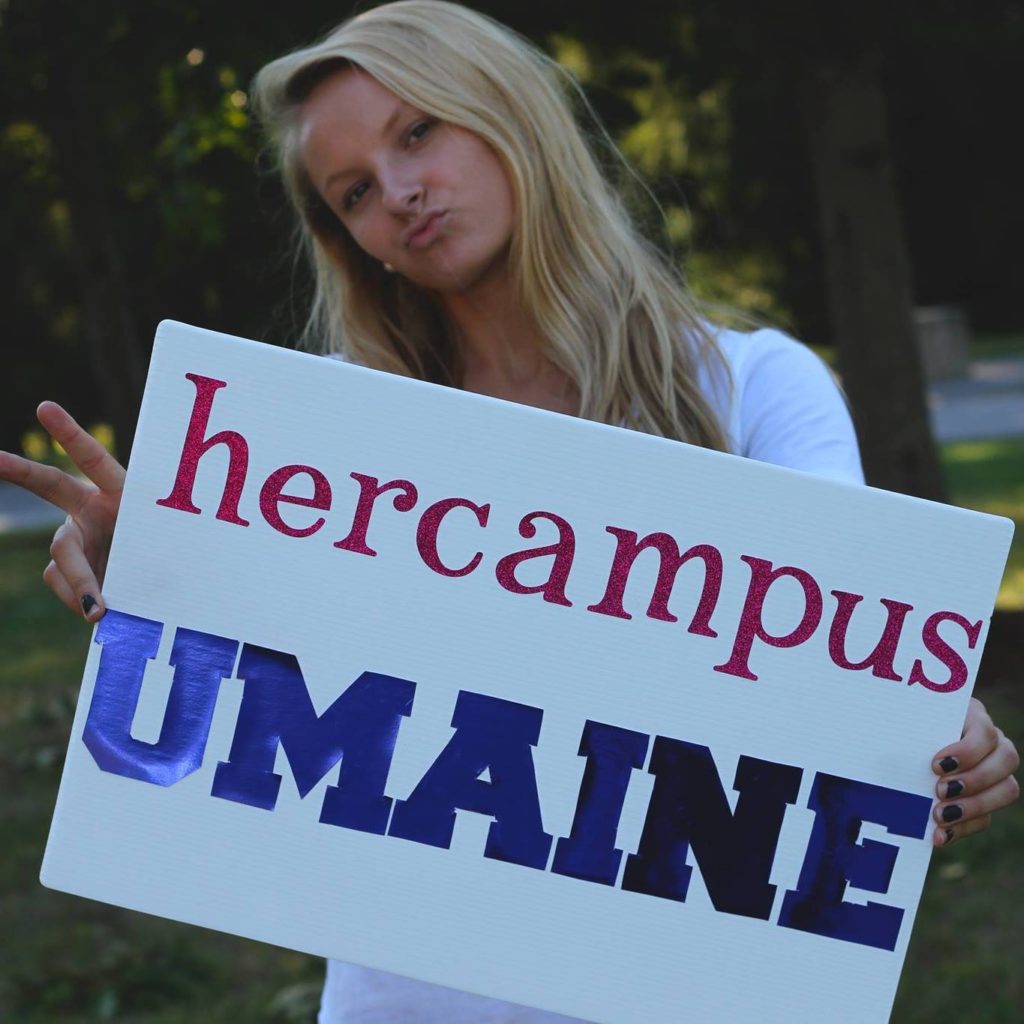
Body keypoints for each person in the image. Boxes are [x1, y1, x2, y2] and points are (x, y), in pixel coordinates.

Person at [0, 2, 1018, 1021]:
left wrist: (927, 730)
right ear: (353, 242)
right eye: (354, 191)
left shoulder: (754, 388)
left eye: (418, 131)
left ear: (508, 114)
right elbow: (243, 712)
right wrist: (156, 566)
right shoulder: (320, 449)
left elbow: (847, 666)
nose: (398, 193)